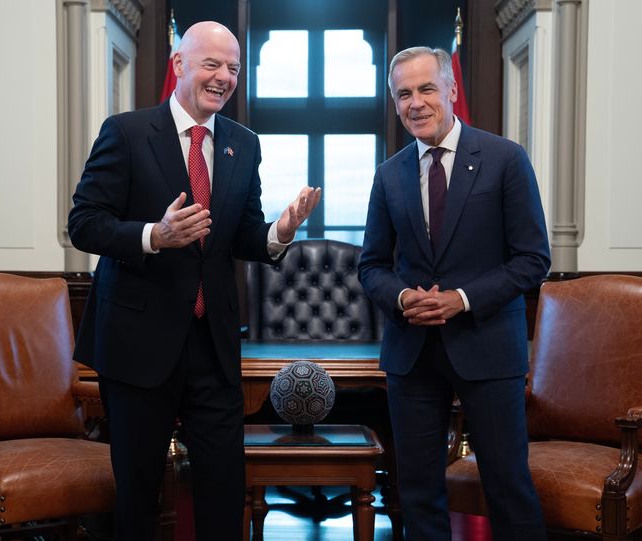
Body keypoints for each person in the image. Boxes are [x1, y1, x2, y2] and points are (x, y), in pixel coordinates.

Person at [68, 21, 320, 541]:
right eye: (212, 64)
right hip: (139, 346)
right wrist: (153, 236)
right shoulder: (128, 131)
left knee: (223, 487)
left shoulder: (243, 145)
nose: (224, 77)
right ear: (179, 66)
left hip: (214, 346)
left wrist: (279, 232)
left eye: (233, 68)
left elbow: (244, 235)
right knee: (138, 493)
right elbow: (84, 223)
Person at [358, 46, 550, 541]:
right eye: (404, 93)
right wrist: (402, 299)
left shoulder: (505, 159)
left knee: (507, 484)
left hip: (487, 346)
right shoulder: (389, 174)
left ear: (451, 90)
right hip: (412, 353)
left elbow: (533, 259)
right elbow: (373, 266)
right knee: (418, 491)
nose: (415, 102)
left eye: (426, 89)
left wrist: (461, 298)